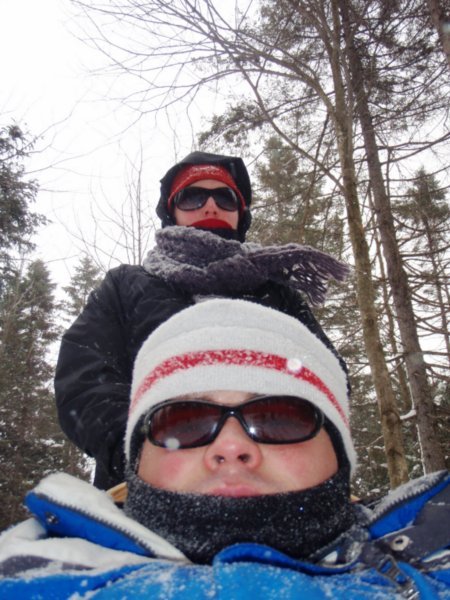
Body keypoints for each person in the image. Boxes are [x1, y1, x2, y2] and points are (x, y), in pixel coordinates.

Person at [1, 299, 449, 598]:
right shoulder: (30, 571)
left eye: (279, 417)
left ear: (339, 452)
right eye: (185, 421)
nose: (231, 448)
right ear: (136, 459)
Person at [54, 151, 349, 489]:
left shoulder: (278, 294)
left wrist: (291, 443)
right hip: (149, 489)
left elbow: (328, 378)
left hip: (276, 481)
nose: (210, 206)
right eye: (192, 196)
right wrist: (142, 449)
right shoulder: (125, 287)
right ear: (172, 211)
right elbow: (85, 379)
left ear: (241, 213)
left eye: (224, 196)